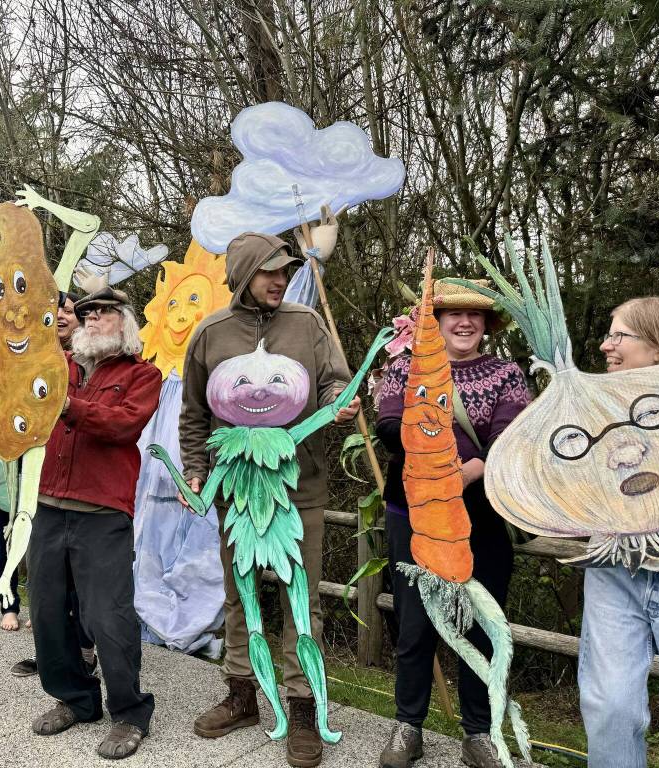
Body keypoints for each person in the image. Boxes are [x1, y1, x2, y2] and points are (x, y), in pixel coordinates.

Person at [179, 232, 357, 768]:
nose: (280, 280)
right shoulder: (210, 334)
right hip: (235, 491)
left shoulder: (306, 324)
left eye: (284, 272)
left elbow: (335, 381)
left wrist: (337, 401)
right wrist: (194, 471)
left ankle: (302, 709)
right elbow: (193, 415)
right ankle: (242, 696)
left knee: (300, 599)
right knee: (239, 596)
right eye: (268, 272)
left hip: (300, 488)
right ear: (242, 276)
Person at [375, 280, 531, 768]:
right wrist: (432, 469)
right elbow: (388, 424)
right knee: (415, 625)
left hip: (479, 520)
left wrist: (462, 474)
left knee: (482, 627)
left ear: (486, 324)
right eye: (453, 314)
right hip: (413, 517)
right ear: (435, 321)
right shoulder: (402, 367)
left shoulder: (507, 374)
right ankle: (407, 725)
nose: (464, 323)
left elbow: (512, 437)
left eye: (475, 316)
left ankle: (479, 733)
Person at [26, 286, 161, 759]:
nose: (94, 319)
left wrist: (69, 406)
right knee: (45, 611)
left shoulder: (144, 375)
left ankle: (129, 712)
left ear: (126, 323)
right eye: (87, 314)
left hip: (103, 513)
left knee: (109, 617)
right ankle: (77, 700)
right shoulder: (58, 367)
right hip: (49, 505)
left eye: (105, 313)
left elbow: (124, 425)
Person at [579, 296, 659, 768]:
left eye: (620, 335)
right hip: (613, 570)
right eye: (608, 333)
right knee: (610, 708)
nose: (605, 344)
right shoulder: (591, 404)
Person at [10, 290, 97, 680]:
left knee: (79, 576)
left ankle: (85, 651)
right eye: (54, 309)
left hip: (83, 484)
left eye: (68, 309)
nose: (60, 315)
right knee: (45, 574)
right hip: (41, 476)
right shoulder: (39, 356)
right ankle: (52, 652)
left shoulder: (94, 362)